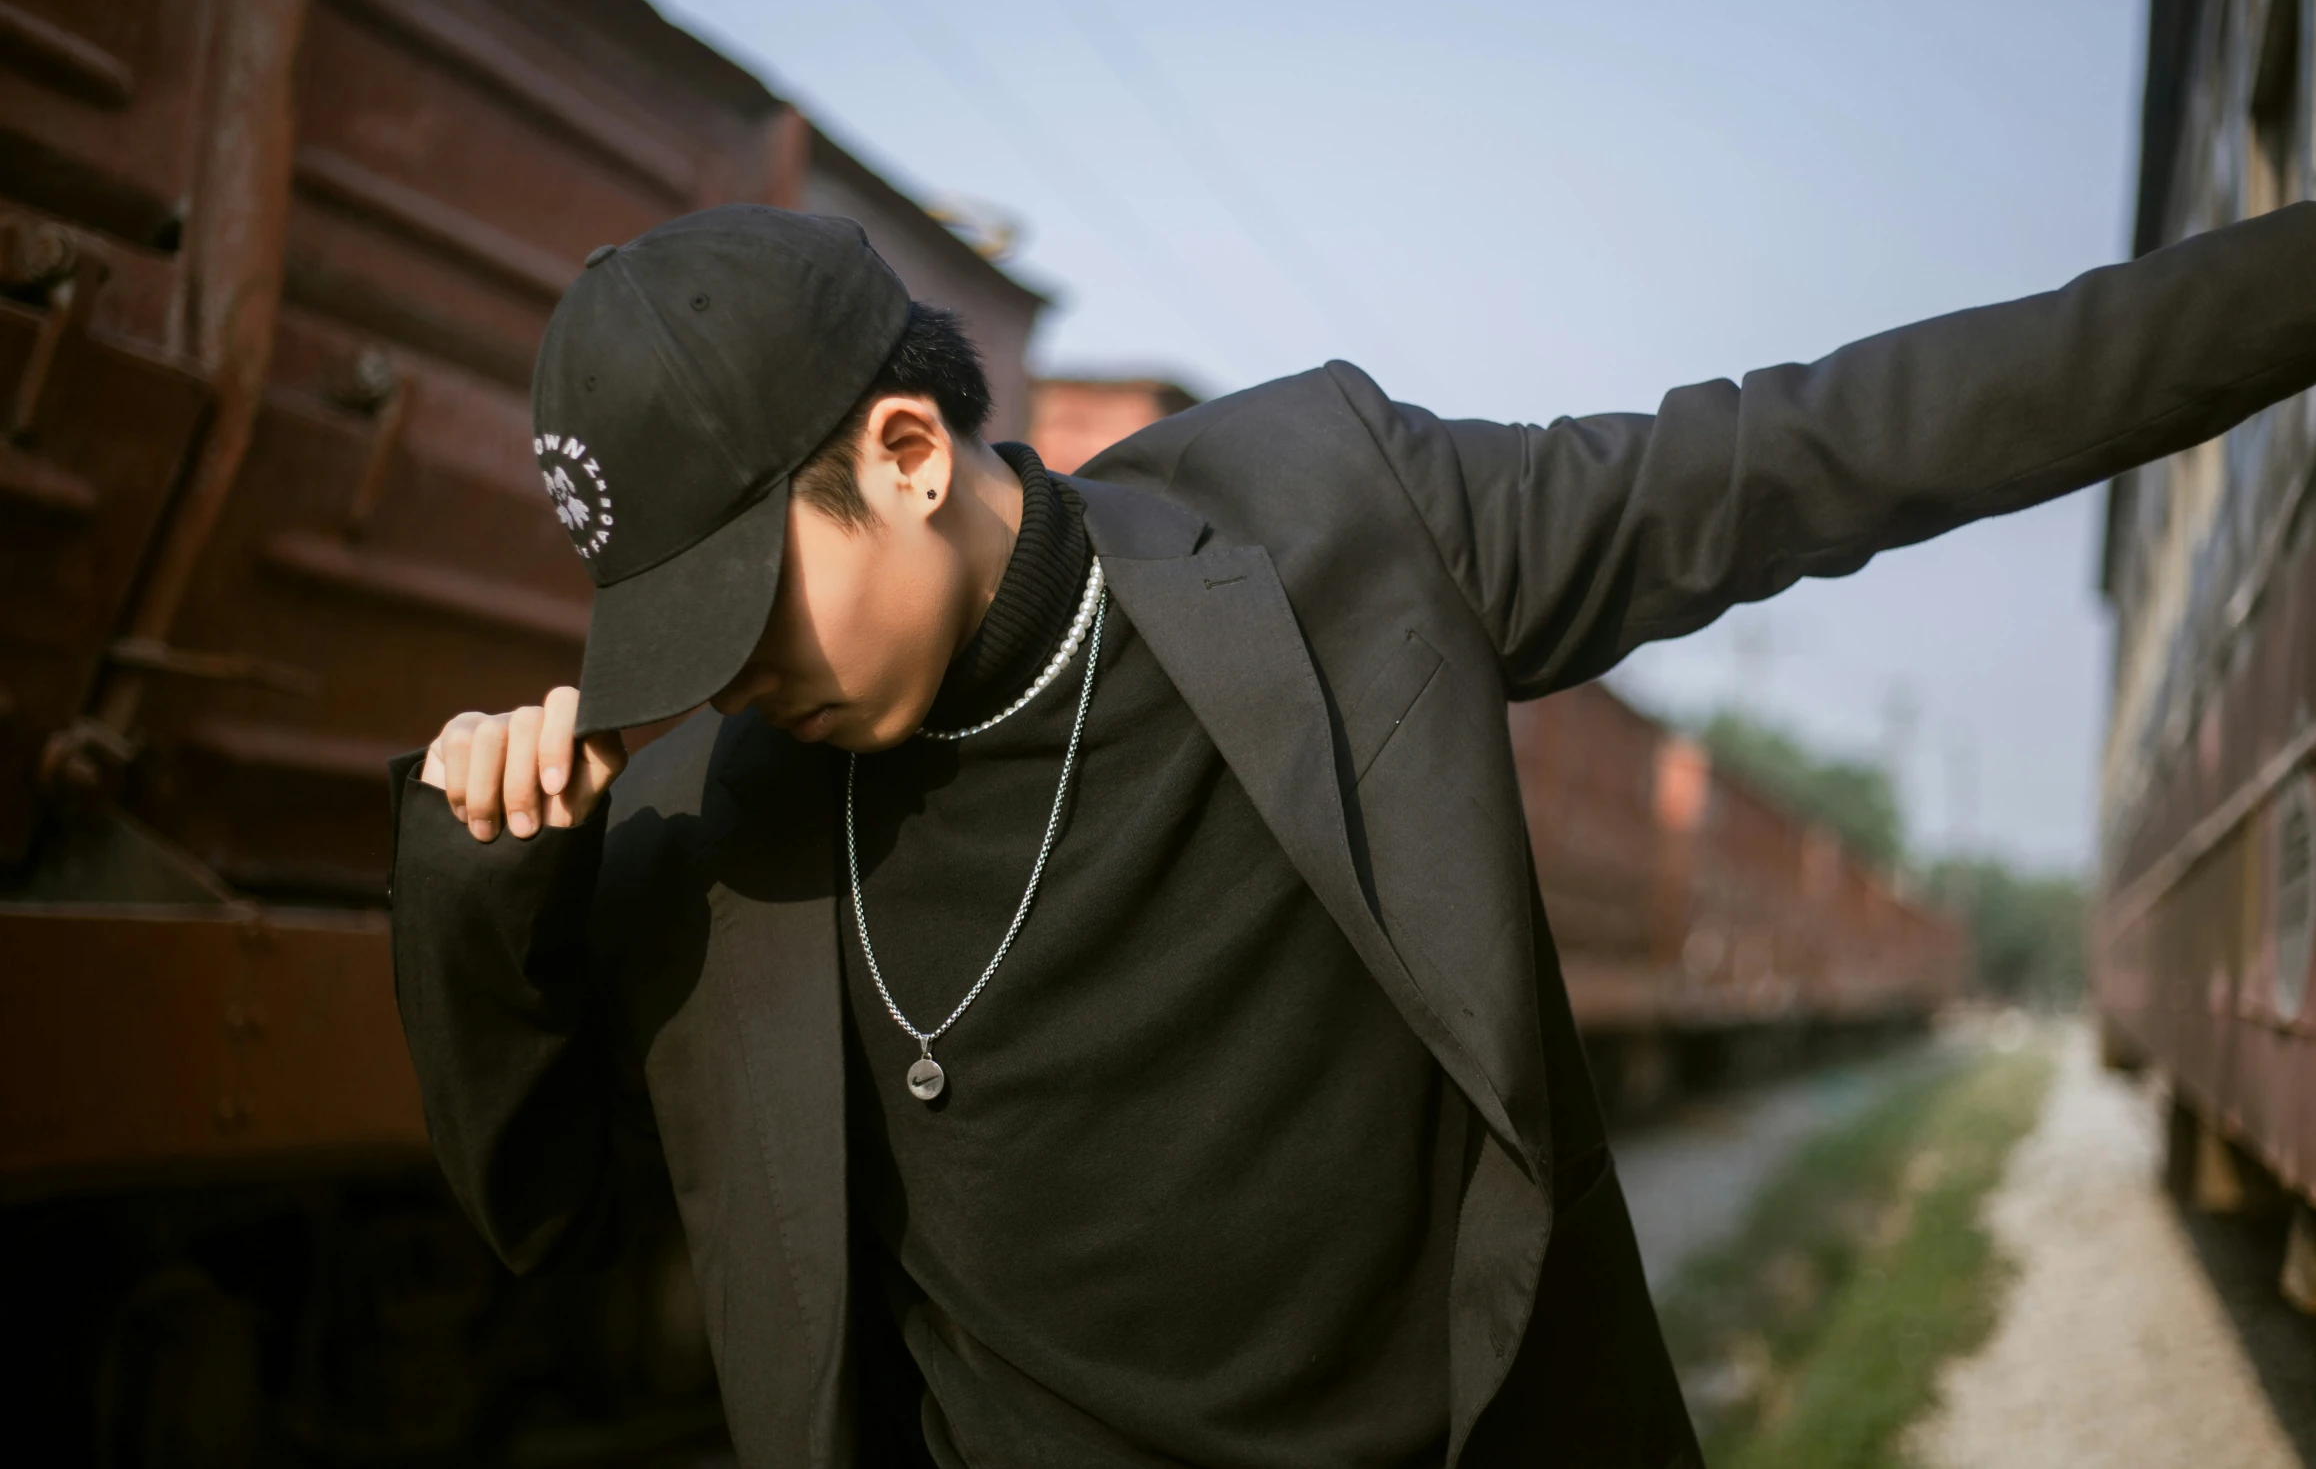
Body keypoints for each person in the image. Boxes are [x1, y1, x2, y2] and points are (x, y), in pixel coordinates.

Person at [391, 201, 2316, 1468]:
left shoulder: (1337, 532)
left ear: (905, 452)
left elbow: (1812, 447)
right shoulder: (715, 815)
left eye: (747, 610)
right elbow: (538, 1204)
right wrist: (489, 878)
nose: (726, 683)